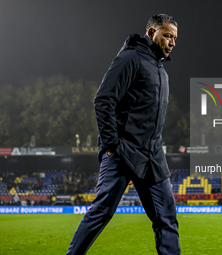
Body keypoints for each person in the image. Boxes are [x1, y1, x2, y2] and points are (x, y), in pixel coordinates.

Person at [66, 14, 180, 255]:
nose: (171, 43)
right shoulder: (131, 58)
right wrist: (110, 144)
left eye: (174, 38)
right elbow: (103, 99)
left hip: (153, 157)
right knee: (102, 210)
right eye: (167, 35)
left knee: (167, 218)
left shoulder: (161, 70)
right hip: (123, 151)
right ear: (151, 33)